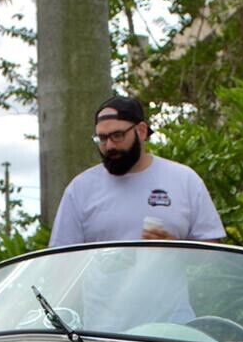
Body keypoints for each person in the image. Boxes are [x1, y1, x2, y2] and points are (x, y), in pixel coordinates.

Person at [49, 94, 225, 248]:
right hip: (105, 288)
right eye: (102, 138)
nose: (109, 146)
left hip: (165, 288)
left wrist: (175, 249)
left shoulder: (184, 180)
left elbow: (212, 253)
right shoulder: (80, 188)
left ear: (141, 131)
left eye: (117, 135)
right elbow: (61, 259)